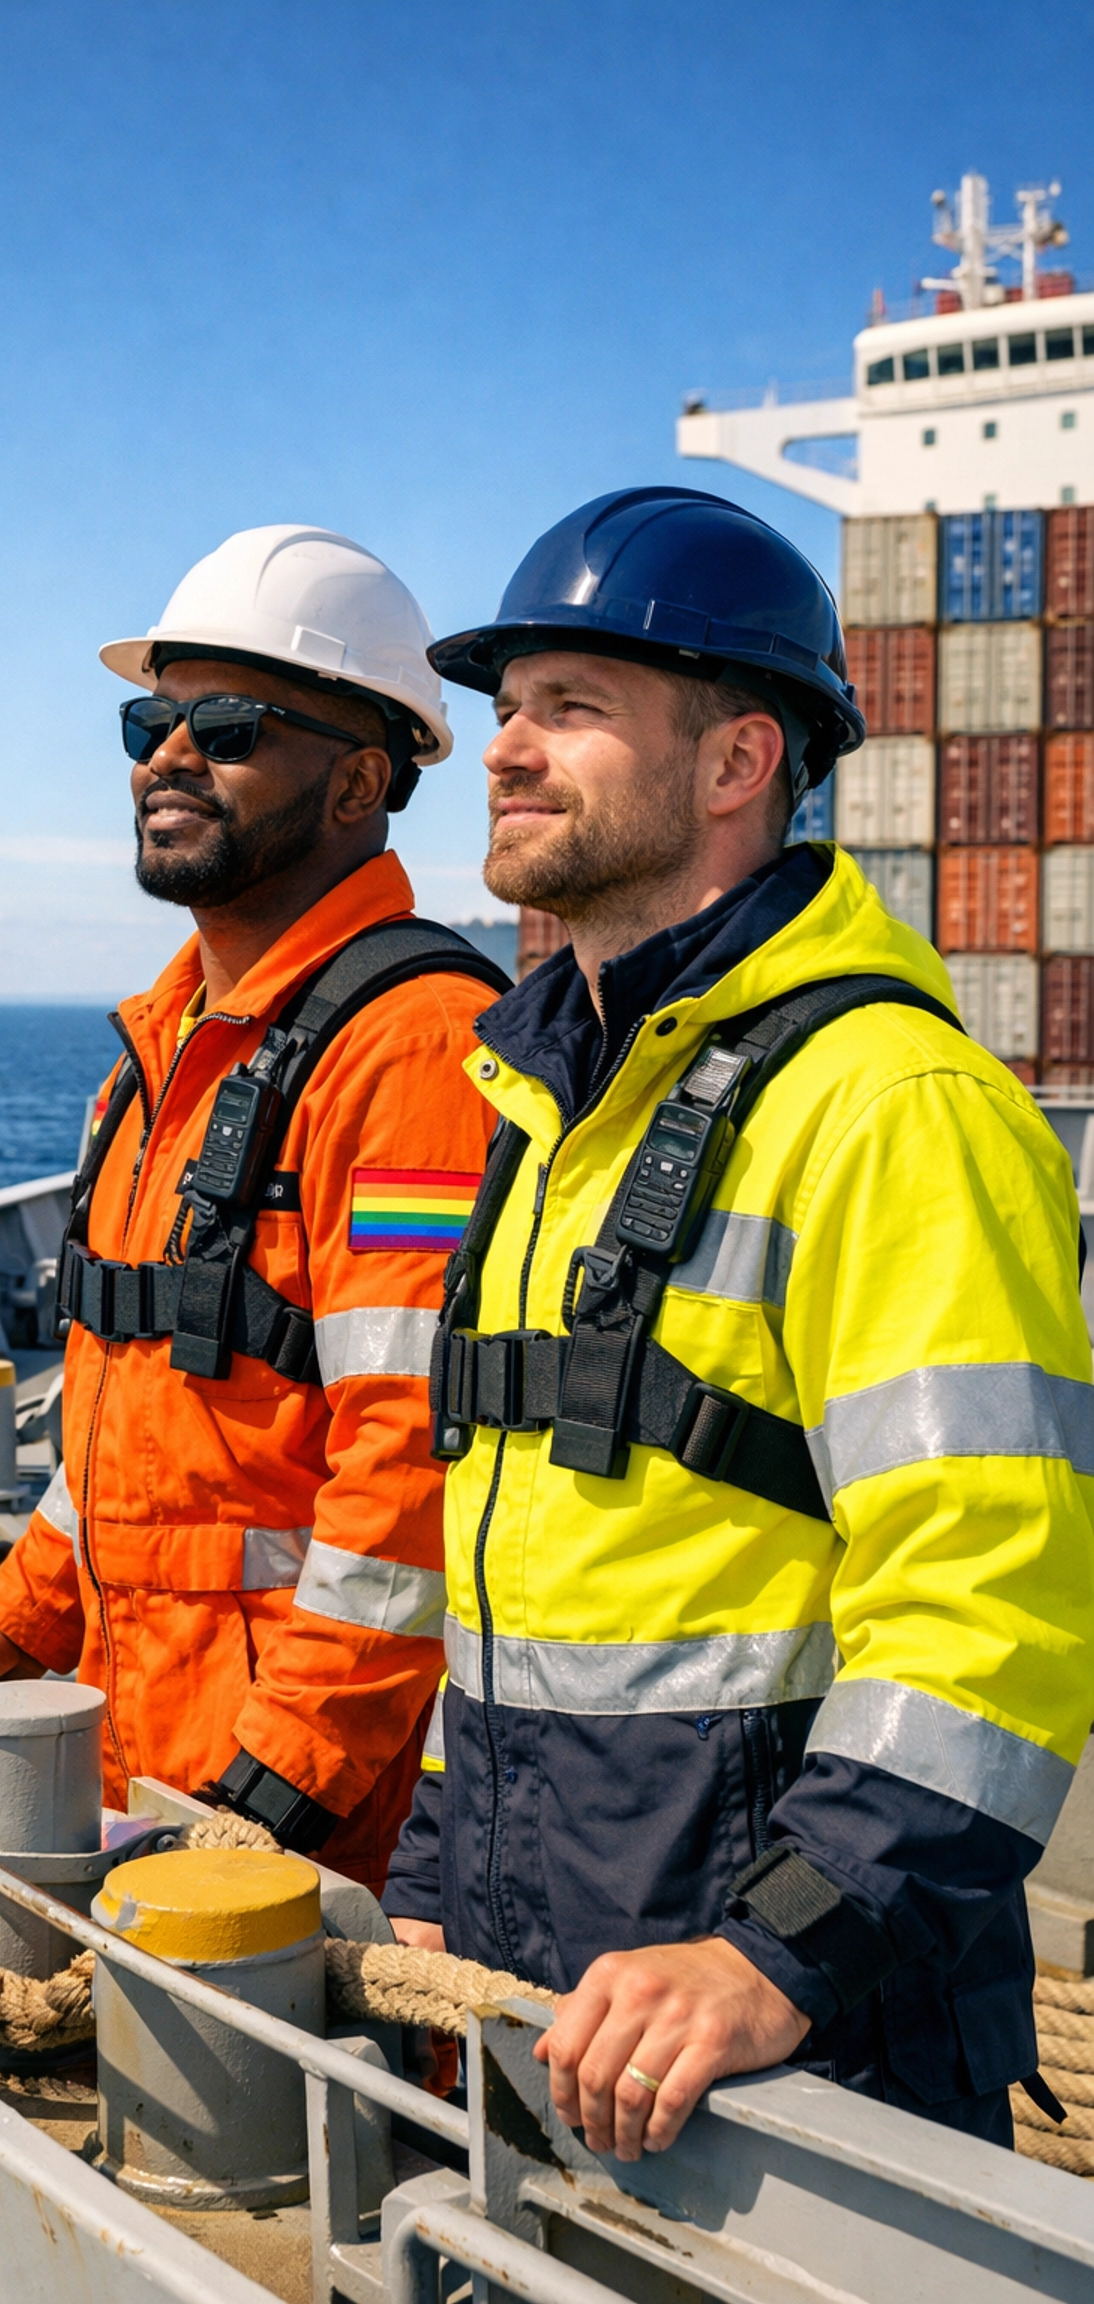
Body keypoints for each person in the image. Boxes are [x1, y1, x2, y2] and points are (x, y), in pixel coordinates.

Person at [382, 485, 1094, 2155]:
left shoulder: (891, 1105)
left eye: (572, 707)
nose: (504, 750)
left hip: (796, 2056)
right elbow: (518, 1570)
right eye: (507, 711)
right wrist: (430, 1879)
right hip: (548, 2013)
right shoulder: (556, 1101)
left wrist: (774, 1950)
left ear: (734, 764)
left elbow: (991, 1613)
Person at [0, 524, 507, 1893]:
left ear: (360, 779)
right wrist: (18, 1620)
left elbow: (411, 1480)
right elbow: (132, 1429)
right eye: (149, 720)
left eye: (226, 727)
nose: (167, 756)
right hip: (151, 1769)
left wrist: (275, 1787)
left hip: (304, 1817)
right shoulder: (170, 1045)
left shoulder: (411, 1052)